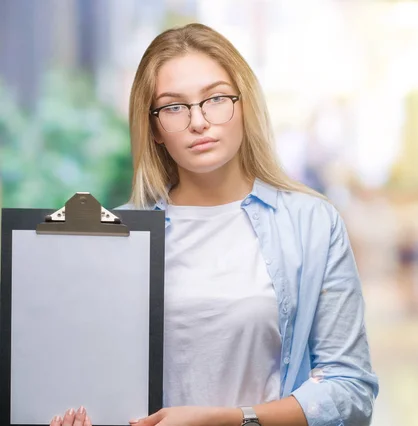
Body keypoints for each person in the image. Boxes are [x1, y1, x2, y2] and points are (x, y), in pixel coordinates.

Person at [50, 23, 377, 426]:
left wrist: (229, 419)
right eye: (173, 107)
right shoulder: (118, 236)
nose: (199, 121)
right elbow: (89, 374)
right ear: (153, 128)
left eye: (216, 99)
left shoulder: (312, 223)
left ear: (243, 104)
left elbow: (351, 390)